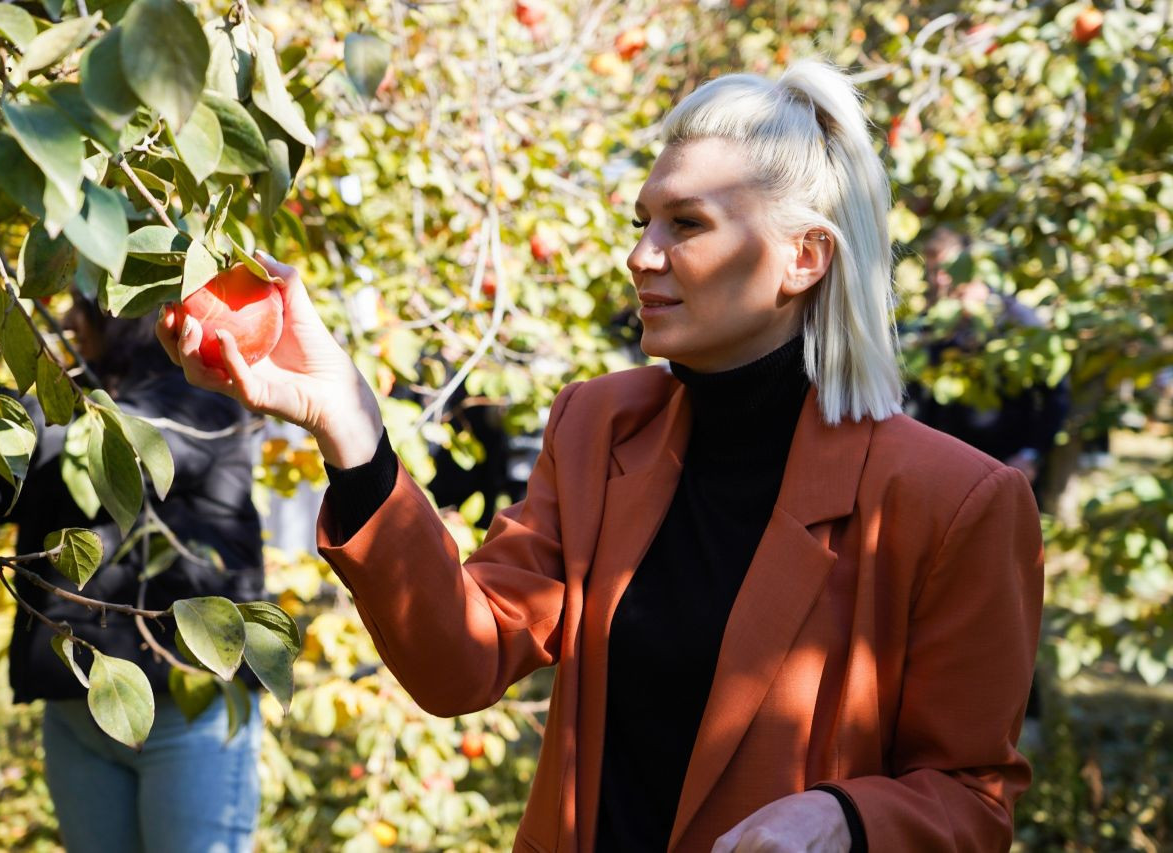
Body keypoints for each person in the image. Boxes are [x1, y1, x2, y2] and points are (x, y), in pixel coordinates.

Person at [160, 59, 1044, 852]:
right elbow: (461, 661)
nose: (639, 255)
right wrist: (345, 424)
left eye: (684, 225)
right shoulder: (599, 425)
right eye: (642, 219)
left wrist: (845, 819)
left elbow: (972, 798)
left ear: (803, 258)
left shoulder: (950, 500)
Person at [0, 296, 266, 851]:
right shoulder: (70, 415)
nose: (67, 322)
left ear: (127, 319)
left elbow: (116, 450)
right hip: (77, 704)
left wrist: (0, 415)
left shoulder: (201, 398)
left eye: (82, 309)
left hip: (187, 711)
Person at [905, 227, 1069, 501]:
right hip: (943, 470)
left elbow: (1056, 395)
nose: (939, 279)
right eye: (933, 271)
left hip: (1008, 463)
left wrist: (1031, 454)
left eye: (947, 269)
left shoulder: (1017, 322)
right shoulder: (930, 325)